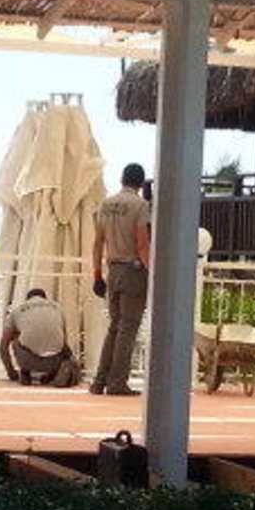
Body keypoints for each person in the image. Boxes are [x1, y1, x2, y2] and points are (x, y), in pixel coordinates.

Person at [91, 163, 152, 397]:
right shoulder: (140, 205)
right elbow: (142, 243)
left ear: (122, 179)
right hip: (133, 271)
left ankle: (99, 381)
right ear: (141, 183)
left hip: (112, 270)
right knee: (128, 328)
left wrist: (97, 275)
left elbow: (98, 243)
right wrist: (152, 272)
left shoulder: (106, 204)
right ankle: (117, 382)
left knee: (114, 327)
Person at [0, 289, 81, 387]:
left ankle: (25, 372)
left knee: (16, 340)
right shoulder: (57, 308)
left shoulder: (17, 310)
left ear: (27, 300)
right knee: (57, 340)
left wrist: (11, 373)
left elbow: (3, 346)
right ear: (45, 298)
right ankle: (52, 374)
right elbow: (63, 341)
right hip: (55, 362)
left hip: (28, 362)